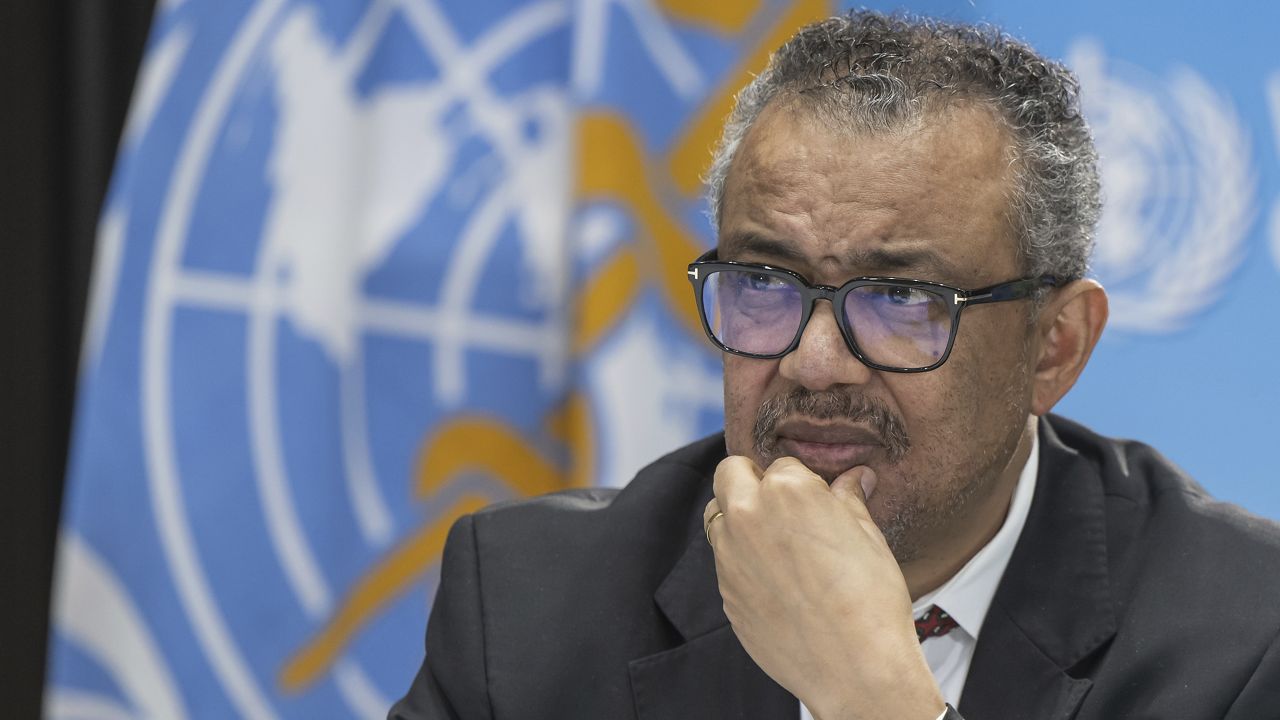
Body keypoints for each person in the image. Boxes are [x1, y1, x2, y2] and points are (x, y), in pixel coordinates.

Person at [391, 10, 1280, 720]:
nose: (813, 364)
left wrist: (876, 699)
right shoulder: (526, 605)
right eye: (765, 283)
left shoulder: (1243, 639)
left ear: (1055, 346)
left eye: (901, 300)